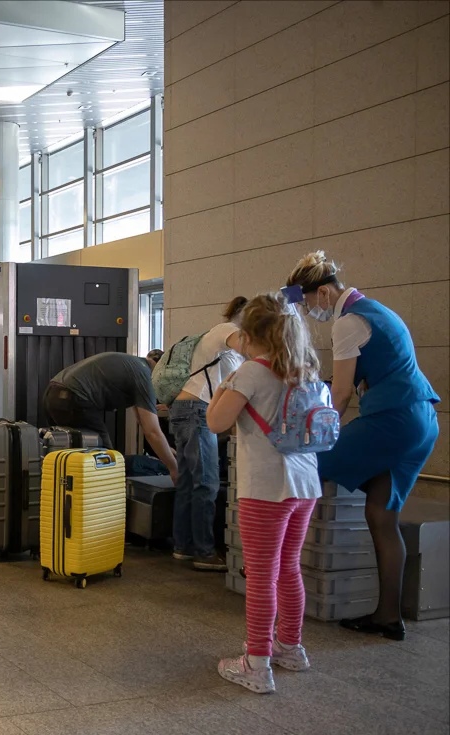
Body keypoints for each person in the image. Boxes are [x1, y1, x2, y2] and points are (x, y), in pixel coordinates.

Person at [285, 252, 439, 641]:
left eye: (306, 303)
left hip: (392, 420)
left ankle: (270, 563)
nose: (308, 312)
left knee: (303, 465)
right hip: (421, 421)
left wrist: (318, 434)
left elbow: (339, 393)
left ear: (323, 292)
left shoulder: (349, 322)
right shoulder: (378, 310)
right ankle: (388, 617)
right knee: (382, 516)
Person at [206, 293, 322, 694]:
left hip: (266, 487)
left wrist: (225, 386)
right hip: (306, 483)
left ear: (249, 335)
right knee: (288, 567)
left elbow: (216, 422)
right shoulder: (306, 371)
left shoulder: (252, 373)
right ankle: (289, 646)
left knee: (261, 574)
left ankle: (257, 663)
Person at [169, 297, 247, 572]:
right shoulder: (227, 330)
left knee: (189, 483)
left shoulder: (215, 334)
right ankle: (204, 551)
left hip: (183, 408)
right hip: (197, 409)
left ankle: (183, 546)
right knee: (207, 483)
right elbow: (250, 351)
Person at [40, 351, 179, 482]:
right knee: (106, 461)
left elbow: (143, 421)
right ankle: (101, 504)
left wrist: (166, 450)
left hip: (53, 394)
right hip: (74, 397)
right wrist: (173, 468)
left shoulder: (136, 365)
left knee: (65, 454)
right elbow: (152, 431)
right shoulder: (145, 375)